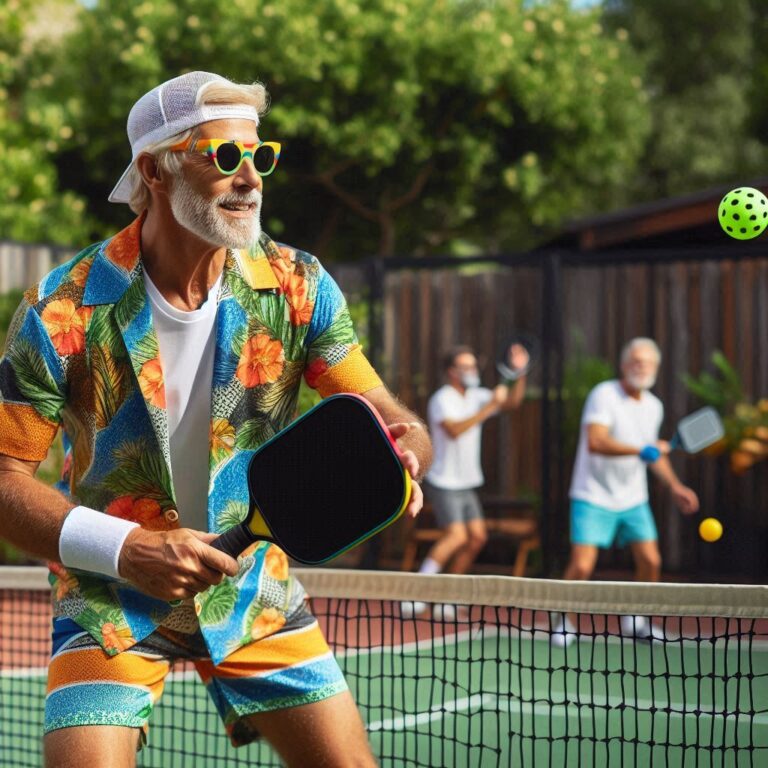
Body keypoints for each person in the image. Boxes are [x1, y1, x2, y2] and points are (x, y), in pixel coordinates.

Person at [0, 71, 431, 767]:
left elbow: (391, 419)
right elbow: (3, 481)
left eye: (261, 156)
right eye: (224, 156)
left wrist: (406, 453)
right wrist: (126, 549)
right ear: (155, 170)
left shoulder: (299, 287)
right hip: (112, 600)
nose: (251, 177)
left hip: (251, 590)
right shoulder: (60, 309)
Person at [553, 337, 699, 645]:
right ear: (623, 365)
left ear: (655, 368)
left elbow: (652, 456)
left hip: (633, 498)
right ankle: (563, 620)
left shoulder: (654, 407)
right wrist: (641, 450)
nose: (641, 367)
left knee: (651, 561)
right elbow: (597, 441)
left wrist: (675, 487)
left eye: (647, 362)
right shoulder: (604, 395)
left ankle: (636, 619)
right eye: (635, 361)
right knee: (581, 565)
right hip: (592, 494)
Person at [402, 344, 527, 619]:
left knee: (477, 538)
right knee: (456, 536)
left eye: (474, 366)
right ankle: (415, 595)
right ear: (452, 372)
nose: (472, 371)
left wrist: (519, 373)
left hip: (468, 483)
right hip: (444, 481)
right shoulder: (441, 399)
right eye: (466, 366)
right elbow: (455, 430)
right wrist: (489, 407)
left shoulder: (478, 395)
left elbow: (512, 402)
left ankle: (448, 598)